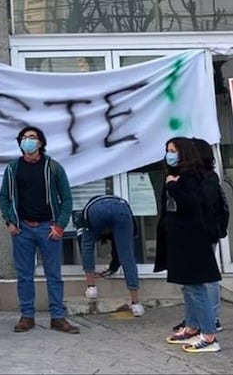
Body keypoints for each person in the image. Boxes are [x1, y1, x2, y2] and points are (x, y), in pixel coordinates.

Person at [0, 125, 79, 334]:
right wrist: (9, 221)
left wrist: (60, 225)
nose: (28, 141)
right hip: (23, 228)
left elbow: (67, 199)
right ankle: (27, 316)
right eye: (24, 138)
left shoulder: (53, 167)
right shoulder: (13, 168)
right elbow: (4, 197)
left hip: (48, 227)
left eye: (32, 137)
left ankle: (58, 317)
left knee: (54, 275)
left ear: (40, 142)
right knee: (24, 275)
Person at [156, 137, 222, 353]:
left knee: (197, 287)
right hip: (178, 239)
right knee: (187, 286)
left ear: (183, 153)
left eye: (173, 150)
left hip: (192, 240)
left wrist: (173, 188)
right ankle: (192, 327)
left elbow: (192, 204)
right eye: (167, 150)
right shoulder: (173, 176)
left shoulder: (191, 177)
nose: (169, 154)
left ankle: (209, 335)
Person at [170, 138, 227, 335]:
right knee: (190, 282)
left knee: (206, 279)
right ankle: (194, 321)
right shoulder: (185, 175)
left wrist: (177, 188)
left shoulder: (207, 176)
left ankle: (211, 319)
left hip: (205, 232)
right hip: (193, 233)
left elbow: (201, 203)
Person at [76, 194, 144, 317]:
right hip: (121, 208)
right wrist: (113, 268)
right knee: (127, 253)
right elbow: (122, 247)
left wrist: (90, 270)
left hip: (96, 210)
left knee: (87, 245)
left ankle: (91, 288)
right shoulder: (121, 205)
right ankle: (136, 304)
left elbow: (83, 244)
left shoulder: (85, 212)